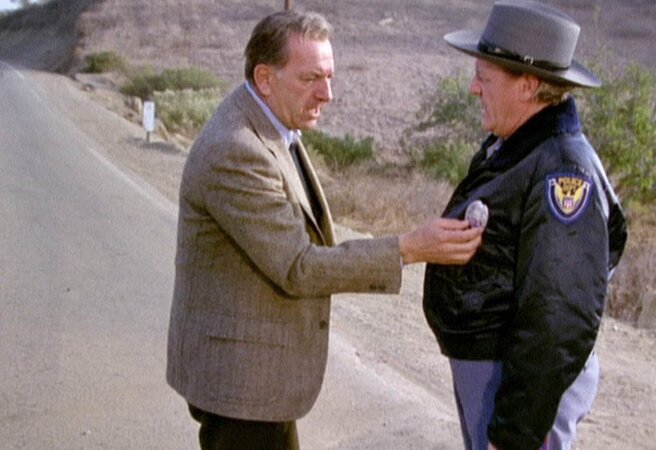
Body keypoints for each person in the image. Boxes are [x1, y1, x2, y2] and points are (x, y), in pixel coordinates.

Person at [166, 9, 483, 450]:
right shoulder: (237, 151)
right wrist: (408, 248)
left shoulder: (271, 126)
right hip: (240, 384)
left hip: (256, 381)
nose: (327, 94)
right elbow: (297, 266)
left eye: (330, 77)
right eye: (311, 78)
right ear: (265, 78)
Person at [422, 2, 628, 449]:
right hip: (496, 373)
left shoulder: (563, 171)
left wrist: (516, 432)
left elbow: (558, 316)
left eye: (485, 77)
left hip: (516, 383)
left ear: (529, 85)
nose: (474, 89)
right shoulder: (521, 146)